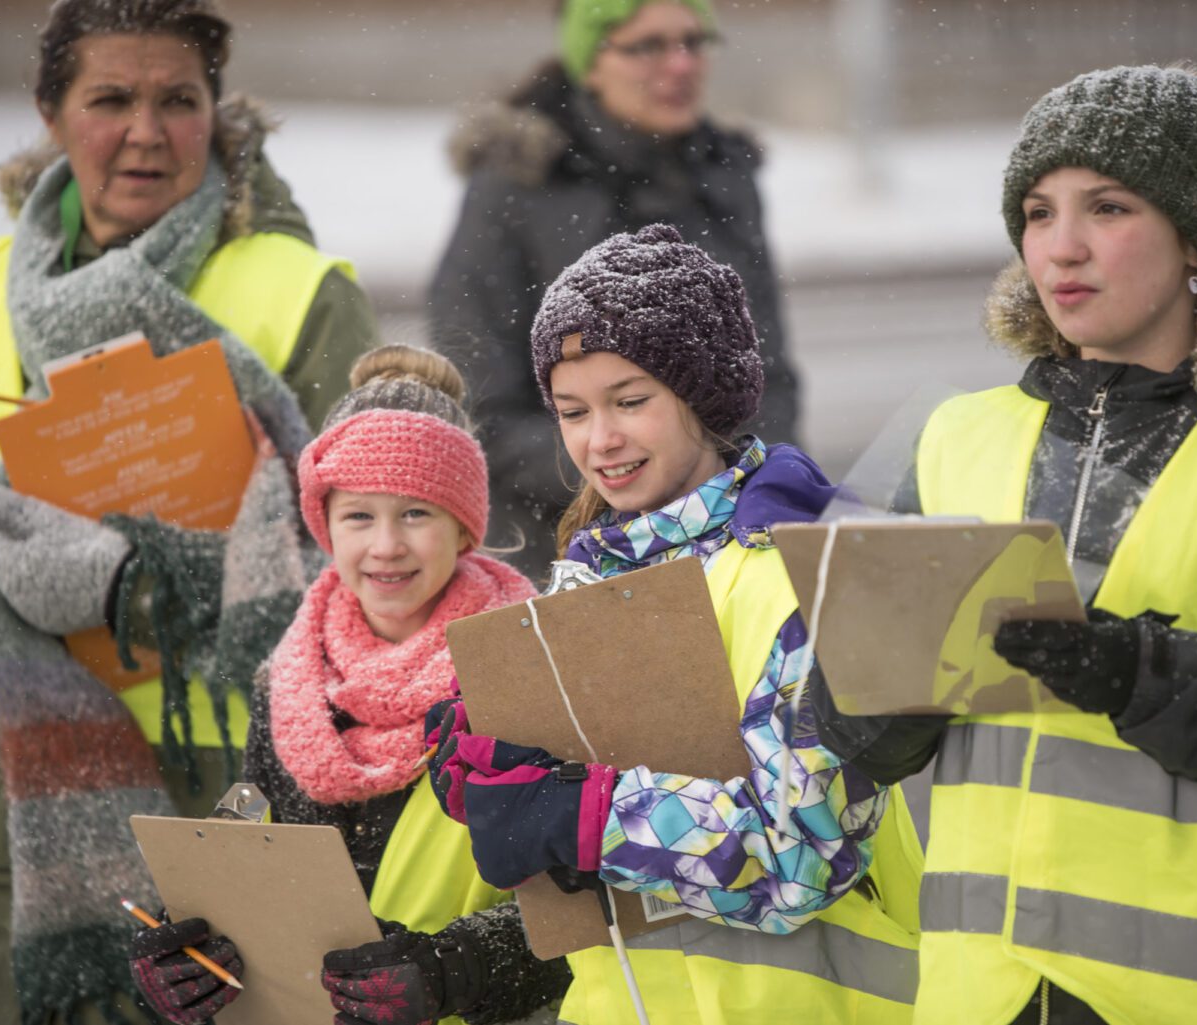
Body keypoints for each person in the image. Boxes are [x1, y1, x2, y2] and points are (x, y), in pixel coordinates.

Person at [813, 64, 1197, 1025]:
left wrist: (1138, 670)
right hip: (990, 997)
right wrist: (884, 680)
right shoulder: (951, 436)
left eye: (1108, 206)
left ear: (1194, 241)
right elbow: (847, 739)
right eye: (1039, 212)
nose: (1064, 247)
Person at [0, 0, 379, 1020]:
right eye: (111, 99)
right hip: (20, 805)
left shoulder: (297, 290)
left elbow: (376, 578)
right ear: (51, 115)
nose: (146, 132)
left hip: (235, 797)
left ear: (217, 114)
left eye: (177, 100)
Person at [428, 224, 921, 1024]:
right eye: (571, 411)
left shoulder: (806, 572)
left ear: (705, 395)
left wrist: (581, 816)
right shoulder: (584, 580)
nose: (600, 440)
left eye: (631, 401)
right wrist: (490, 773)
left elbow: (798, 858)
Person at [128, 345, 571, 1025]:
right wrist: (187, 949)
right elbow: (251, 859)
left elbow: (589, 908)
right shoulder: (287, 681)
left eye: (416, 513)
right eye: (359, 515)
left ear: (463, 526)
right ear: (325, 524)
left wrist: (450, 969)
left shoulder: (531, 663)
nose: (386, 545)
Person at [428, 0, 801, 579]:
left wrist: (746, 494)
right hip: (560, 553)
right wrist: (640, 476)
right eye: (647, 46)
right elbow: (483, 413)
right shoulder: (517, 184)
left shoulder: (724, 176)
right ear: (590, 63)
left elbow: (767, 371)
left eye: (693, 41)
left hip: (731, 540)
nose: (680, 65)